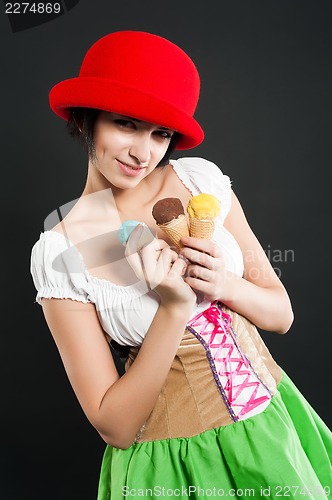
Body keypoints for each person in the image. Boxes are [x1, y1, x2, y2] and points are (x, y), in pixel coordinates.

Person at [30, 30, 331, 499]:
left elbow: (281, 314)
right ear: (87, 118)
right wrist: (173, 309)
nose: (142, 152)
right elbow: (115, 426)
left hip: (273, 427)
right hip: (175, 467)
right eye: (126, 124)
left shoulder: (199, 180)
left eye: (160, 133)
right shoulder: (60, 249)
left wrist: (226, 283)